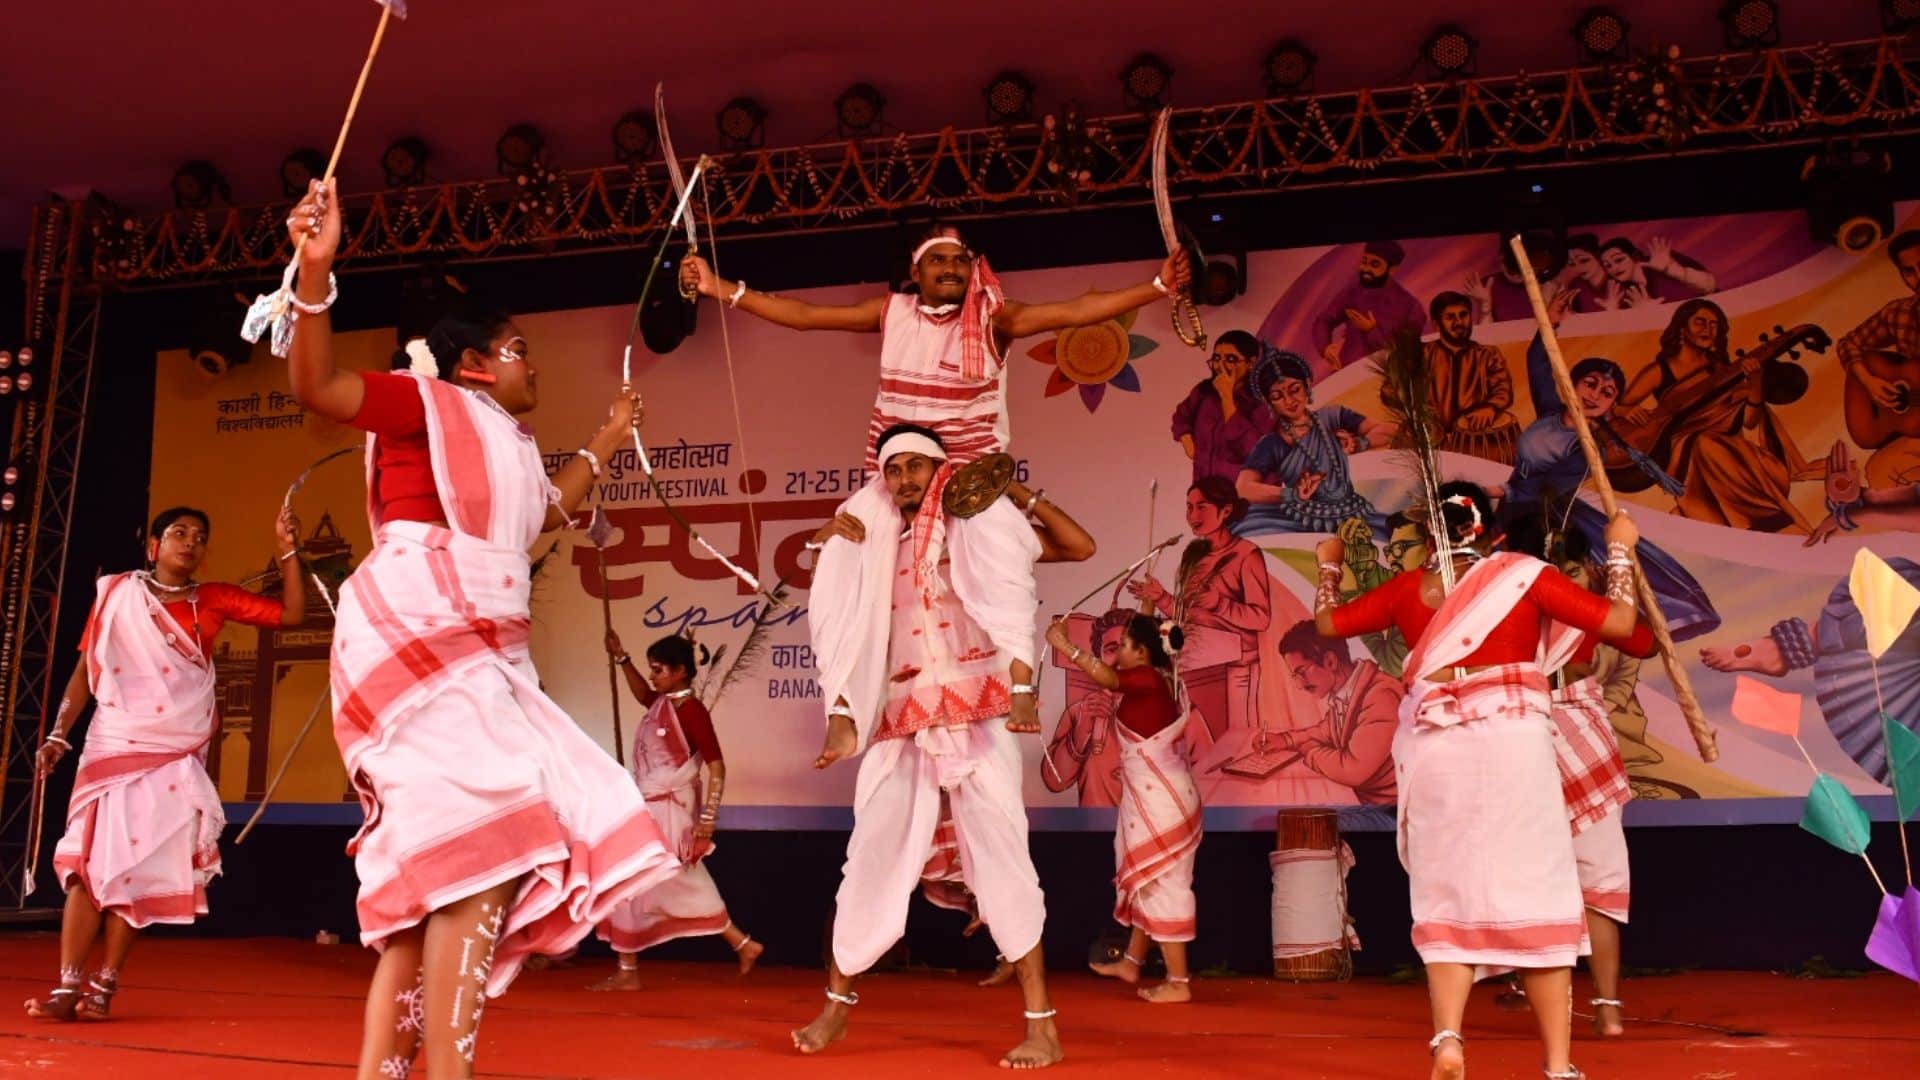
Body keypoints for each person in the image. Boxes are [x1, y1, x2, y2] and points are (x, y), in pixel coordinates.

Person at [282, 179, 680, 1080]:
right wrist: (314, 272)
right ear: (471, 364)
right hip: (422, 641)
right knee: (491, 851)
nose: (533, 366)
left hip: (487, 658)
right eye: (518, 350)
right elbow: (315, 384)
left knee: (436, 882)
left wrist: (609, 437)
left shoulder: (507, 442)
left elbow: (547, 513)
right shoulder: (423, 403)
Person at [1313, 481, 1654, 1080]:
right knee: (1539, 888)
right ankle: (1558, 1065)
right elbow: (1624, 623)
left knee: (1447, 890)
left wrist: (1329, 564)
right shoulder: (1524, 575)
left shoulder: (1407, 589)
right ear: (1493, 533)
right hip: (1512, 743)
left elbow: (1327, 623)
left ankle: (1448, 1038)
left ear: (1432, 535)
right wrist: (1621, 549)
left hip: (1438, 748)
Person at [795, 423, 1094, 1068]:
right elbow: (831, 602)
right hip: (903, 717)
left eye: (916, 466)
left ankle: (1042, 1026)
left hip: (980, 711)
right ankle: (835, 1009)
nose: (903, 478)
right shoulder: (871, 541)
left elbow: (1079, 546)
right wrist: (826, 541)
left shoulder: (978, 530)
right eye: (892, 468)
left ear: (939, 471)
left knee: (1005, 861)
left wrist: (1014, 494)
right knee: (870, 860)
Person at [25, 505, 307, 1021]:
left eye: (200, 536)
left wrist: (288, 550)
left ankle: (104, 987)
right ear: (153, 546)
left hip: (173, 753)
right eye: (179, 533)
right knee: (85, 864)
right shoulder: (116, 595)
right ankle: (66, 988)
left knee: (140, 870)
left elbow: (290, 616)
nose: (190, 542)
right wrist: (58, 735)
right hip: (114, 743)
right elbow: (86, 670)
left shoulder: (214, 599)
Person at [679, 223, 1189, 469]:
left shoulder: (995, 317)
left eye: (960, 260)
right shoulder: (891, 311)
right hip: (896, 476)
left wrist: (1157, 287)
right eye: (938, 260)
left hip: (969, 482)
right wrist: (717, 287)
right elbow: (804, 317)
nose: (950, 268)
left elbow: (1076, 311)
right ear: (915, 271)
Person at [1502, 291, 1719, 642]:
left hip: (1545, 518)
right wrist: (1550, 322)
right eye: (1590, 384)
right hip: (1514, 505)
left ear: (1611, 406)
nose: (1595, 395)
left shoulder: (1591, 449)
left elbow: (1548, 488)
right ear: (1571, 384)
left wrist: (1505, 491)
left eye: (1607, 393)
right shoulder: (1549, 412)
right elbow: (1538, 360)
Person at [1505, 518, 1643, 1039]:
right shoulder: (1584, 602)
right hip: (1554, 731)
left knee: (1532, 872)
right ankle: (1607, 1008)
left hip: (1524, 732)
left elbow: (1640, 639)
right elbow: (1637, 634)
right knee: (1592, 879)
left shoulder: (1502, 601)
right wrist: (1620, 562)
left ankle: (1540, 990)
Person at [591, 630, 762, 990]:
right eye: (652, 669)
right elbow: (643, 694)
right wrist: (622, 658)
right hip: (649, 807)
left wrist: (708, 820)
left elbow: (717, 766)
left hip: (670, 811)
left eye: (659, 670)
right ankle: (740, 943)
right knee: (648, 879)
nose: (653, 676)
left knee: (641, 877)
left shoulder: (692, 712)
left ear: (681, 671)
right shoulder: (662, 705)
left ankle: (629, 970)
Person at [1050, 614, 1202, 1004]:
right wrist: (1145, 606)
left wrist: (1066, 647)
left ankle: (1178, 982)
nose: (1117, 654)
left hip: (1163, 800)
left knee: (1164, 885)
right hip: (1155, 797)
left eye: (1123, 646)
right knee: (1147, 880)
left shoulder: (1147, 679)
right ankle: (1132, 963)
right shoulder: (1151, 680)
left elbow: (1109, 678)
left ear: (1143, 652)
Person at [1617, 298, 1820, 533]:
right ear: (1682, 328)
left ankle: (1761, 516)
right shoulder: (1661, 370)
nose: (1708, 329)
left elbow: (1750, 422)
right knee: (1704, 444)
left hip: (1729, 450)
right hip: (1684, 452)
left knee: (1710, 445)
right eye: (1700, 322)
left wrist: (1755, 384)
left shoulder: (1722, 372)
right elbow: (1618, 408)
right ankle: (1760, 519)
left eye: (1714, 325)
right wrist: (1627, 410)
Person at [1130, 478, 1272, 743]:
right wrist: (1161, 598)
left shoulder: (1247, 554)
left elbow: (1261, 618)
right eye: (1189, 507)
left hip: (1236, 666)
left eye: (1201, 507)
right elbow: (1189, 616)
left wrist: (1220, 604)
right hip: (1196, 665)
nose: (1193, 515)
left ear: (1226, 510)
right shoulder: (1193, 556)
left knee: (1238, 742)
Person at [1235, 348, 1392, 537]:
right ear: (1270, 403)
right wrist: (1291, 495)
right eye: (1277, 397)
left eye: (1295, 390)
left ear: (1307, 386)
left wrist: (1359, 444)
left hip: (1353, 511)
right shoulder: (1272, 443)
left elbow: (1387, 431)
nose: (1289, 401)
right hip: (1303, 521)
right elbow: (1244, 488)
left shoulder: (1332, 417)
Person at [1271, 619, 1400, 806]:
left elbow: (1353, 770)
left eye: (1302, 672)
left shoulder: (1380, 697)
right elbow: (1324, 732)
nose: (1299, 685)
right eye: (1294, 676)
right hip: (1365, 801)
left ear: (1330, 661)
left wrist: (1310, 752)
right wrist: (1286, 740)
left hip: (1389, 810)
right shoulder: (1348, 693)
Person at [1835, 229, 1920, 487]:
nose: (1919, 277)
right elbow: (1849, 344)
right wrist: (1869, 381)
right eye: (1909, 272)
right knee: (1879, 470)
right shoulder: (1900, 313)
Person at [1395, 291, 1521, 464]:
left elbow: (1503, 389)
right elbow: (1392, 390)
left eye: (1463, 315)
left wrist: (1490, 407)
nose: (1459, 322)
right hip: (1431, 442)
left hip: (1473, 444)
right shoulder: (1421, 355)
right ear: (1436, 324)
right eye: (1450, 317)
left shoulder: (1488, 355)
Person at [1041, 608, 1133, 807]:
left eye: (1129, 647)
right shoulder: (1080, 712)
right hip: (1097, 826)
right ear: (1098, 659)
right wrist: (1081, 731)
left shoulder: (1178, 712)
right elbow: (1054, 781)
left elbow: (1203, 782)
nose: (1121, 658)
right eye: (1111, 649)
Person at [1169, 329, 1268, 486]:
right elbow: (1181, 417)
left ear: (1251, 363)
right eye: (1216, 358)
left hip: (1240, 491)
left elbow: (1251, 449)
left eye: (1230, 359)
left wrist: (1227, 397)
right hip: (1203, 485)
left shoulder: (1261, 401)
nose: (1220, 366)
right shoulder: (1203, 391)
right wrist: (1189, 444)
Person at [1311, 240, 1426, 371]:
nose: (1366, 269)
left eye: (1375, 264)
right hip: (1348, 372)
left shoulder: (1411, 307)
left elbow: (1405, 351)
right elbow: (1323, 321)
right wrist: (1325, 347)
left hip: (1390, 376)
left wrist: (1371, 330)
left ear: (1392, 269)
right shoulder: (1352, 292)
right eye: (1364, 262)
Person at [1597, 236, 1716, 308]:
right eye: (1608, 265)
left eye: (1619, 260)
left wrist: (1672, 269)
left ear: (1635, 256)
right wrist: (1613, 311)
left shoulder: (1662, 259)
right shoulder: (1626, 294)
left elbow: (1710, 286)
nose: (1614, 268)